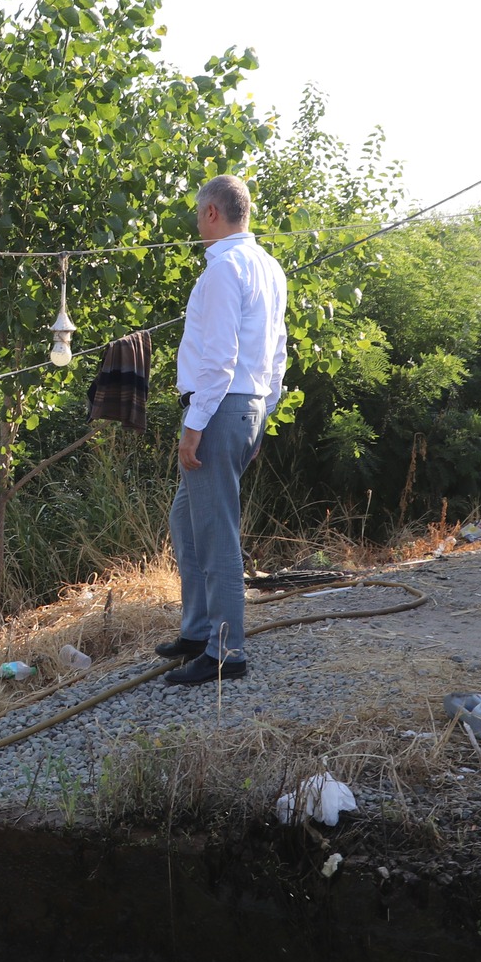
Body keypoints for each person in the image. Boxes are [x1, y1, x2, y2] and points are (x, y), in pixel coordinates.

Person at [156, 174, 288, 684]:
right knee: (186, 521)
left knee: (216, 534)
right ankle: (197, 631)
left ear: (212, 212)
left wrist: (194, 425)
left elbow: (219, 359)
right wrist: (263, 413)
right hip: (244, 406)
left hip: (219, 407)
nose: (196, 222)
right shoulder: (269, 266)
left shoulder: (223, 269)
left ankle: (226, 652)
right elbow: (277, 352)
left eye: (197, 213)